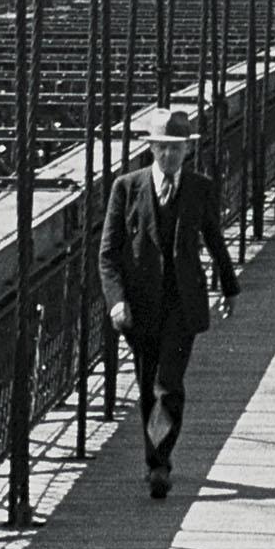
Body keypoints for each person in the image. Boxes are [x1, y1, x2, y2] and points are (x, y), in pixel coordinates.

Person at [97, 107, 239, 499]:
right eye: (163, 149)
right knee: (147, 387)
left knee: (168, 385)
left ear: (187, 152)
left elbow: (214, 239)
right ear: (152, 150)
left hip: (182, 303)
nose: (169, 157)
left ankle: (160, 464)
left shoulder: (199, 188)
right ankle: (153, 457)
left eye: (177, 150)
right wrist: (116, 301)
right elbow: (108, 253)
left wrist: (229, 288)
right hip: (140, 306)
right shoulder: (127, 188)